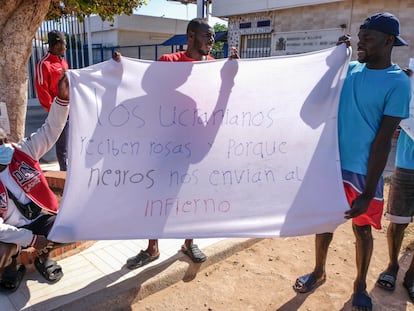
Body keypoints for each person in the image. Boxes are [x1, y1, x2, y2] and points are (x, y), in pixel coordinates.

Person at [292, 12, 411, 311]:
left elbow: (384, 141)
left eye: (367, 39)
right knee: (325, 223)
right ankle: (319, 271)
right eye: (359, 38)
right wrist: (334, 62)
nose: (360, 43)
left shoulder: (398, 83)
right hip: (331, 166)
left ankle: (359, 285)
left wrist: (369, 191)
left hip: (362, 173)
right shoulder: (349, 70)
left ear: (388, 41)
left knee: (362, 229)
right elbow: (311, 106)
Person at [126, 18, 239, 269]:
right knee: (156, 200)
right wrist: (118, 73)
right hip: (165, 148)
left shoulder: (213, 67)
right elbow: (146, 89)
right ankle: (152, 248)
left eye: (212, 36)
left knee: (193, 198)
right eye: (206, 36)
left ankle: (188, 243)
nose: (211, 40)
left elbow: (222, 97)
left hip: (196, 148)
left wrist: (229, 76)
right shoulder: (168, 63)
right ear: (190, 36)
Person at [0, 74, 69, 292]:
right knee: (1, 250)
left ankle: (43, 257)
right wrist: (29, 239)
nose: (5, 146)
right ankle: (12, 266)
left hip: (40, 219)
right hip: (12, 230)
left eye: (3, 140)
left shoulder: (22, 151)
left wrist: (62, 99)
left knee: (70, 227)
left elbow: (50, 131)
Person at [375, 68, 414, 302]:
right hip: (407, 164)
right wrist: (403, 81)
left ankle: (411, 276)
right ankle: (392, 266)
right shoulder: (407, 80)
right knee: (398, 221)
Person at [35, 30, 69, 171]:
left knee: (71, 143)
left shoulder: (63, 62)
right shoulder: (44, 64)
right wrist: (54, 111)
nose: (65, 48)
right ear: (55, 45)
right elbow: (42, 90)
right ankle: (65, 174)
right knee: (62, 147)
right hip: (57, 112)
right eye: (63, 44)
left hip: (69, 110)